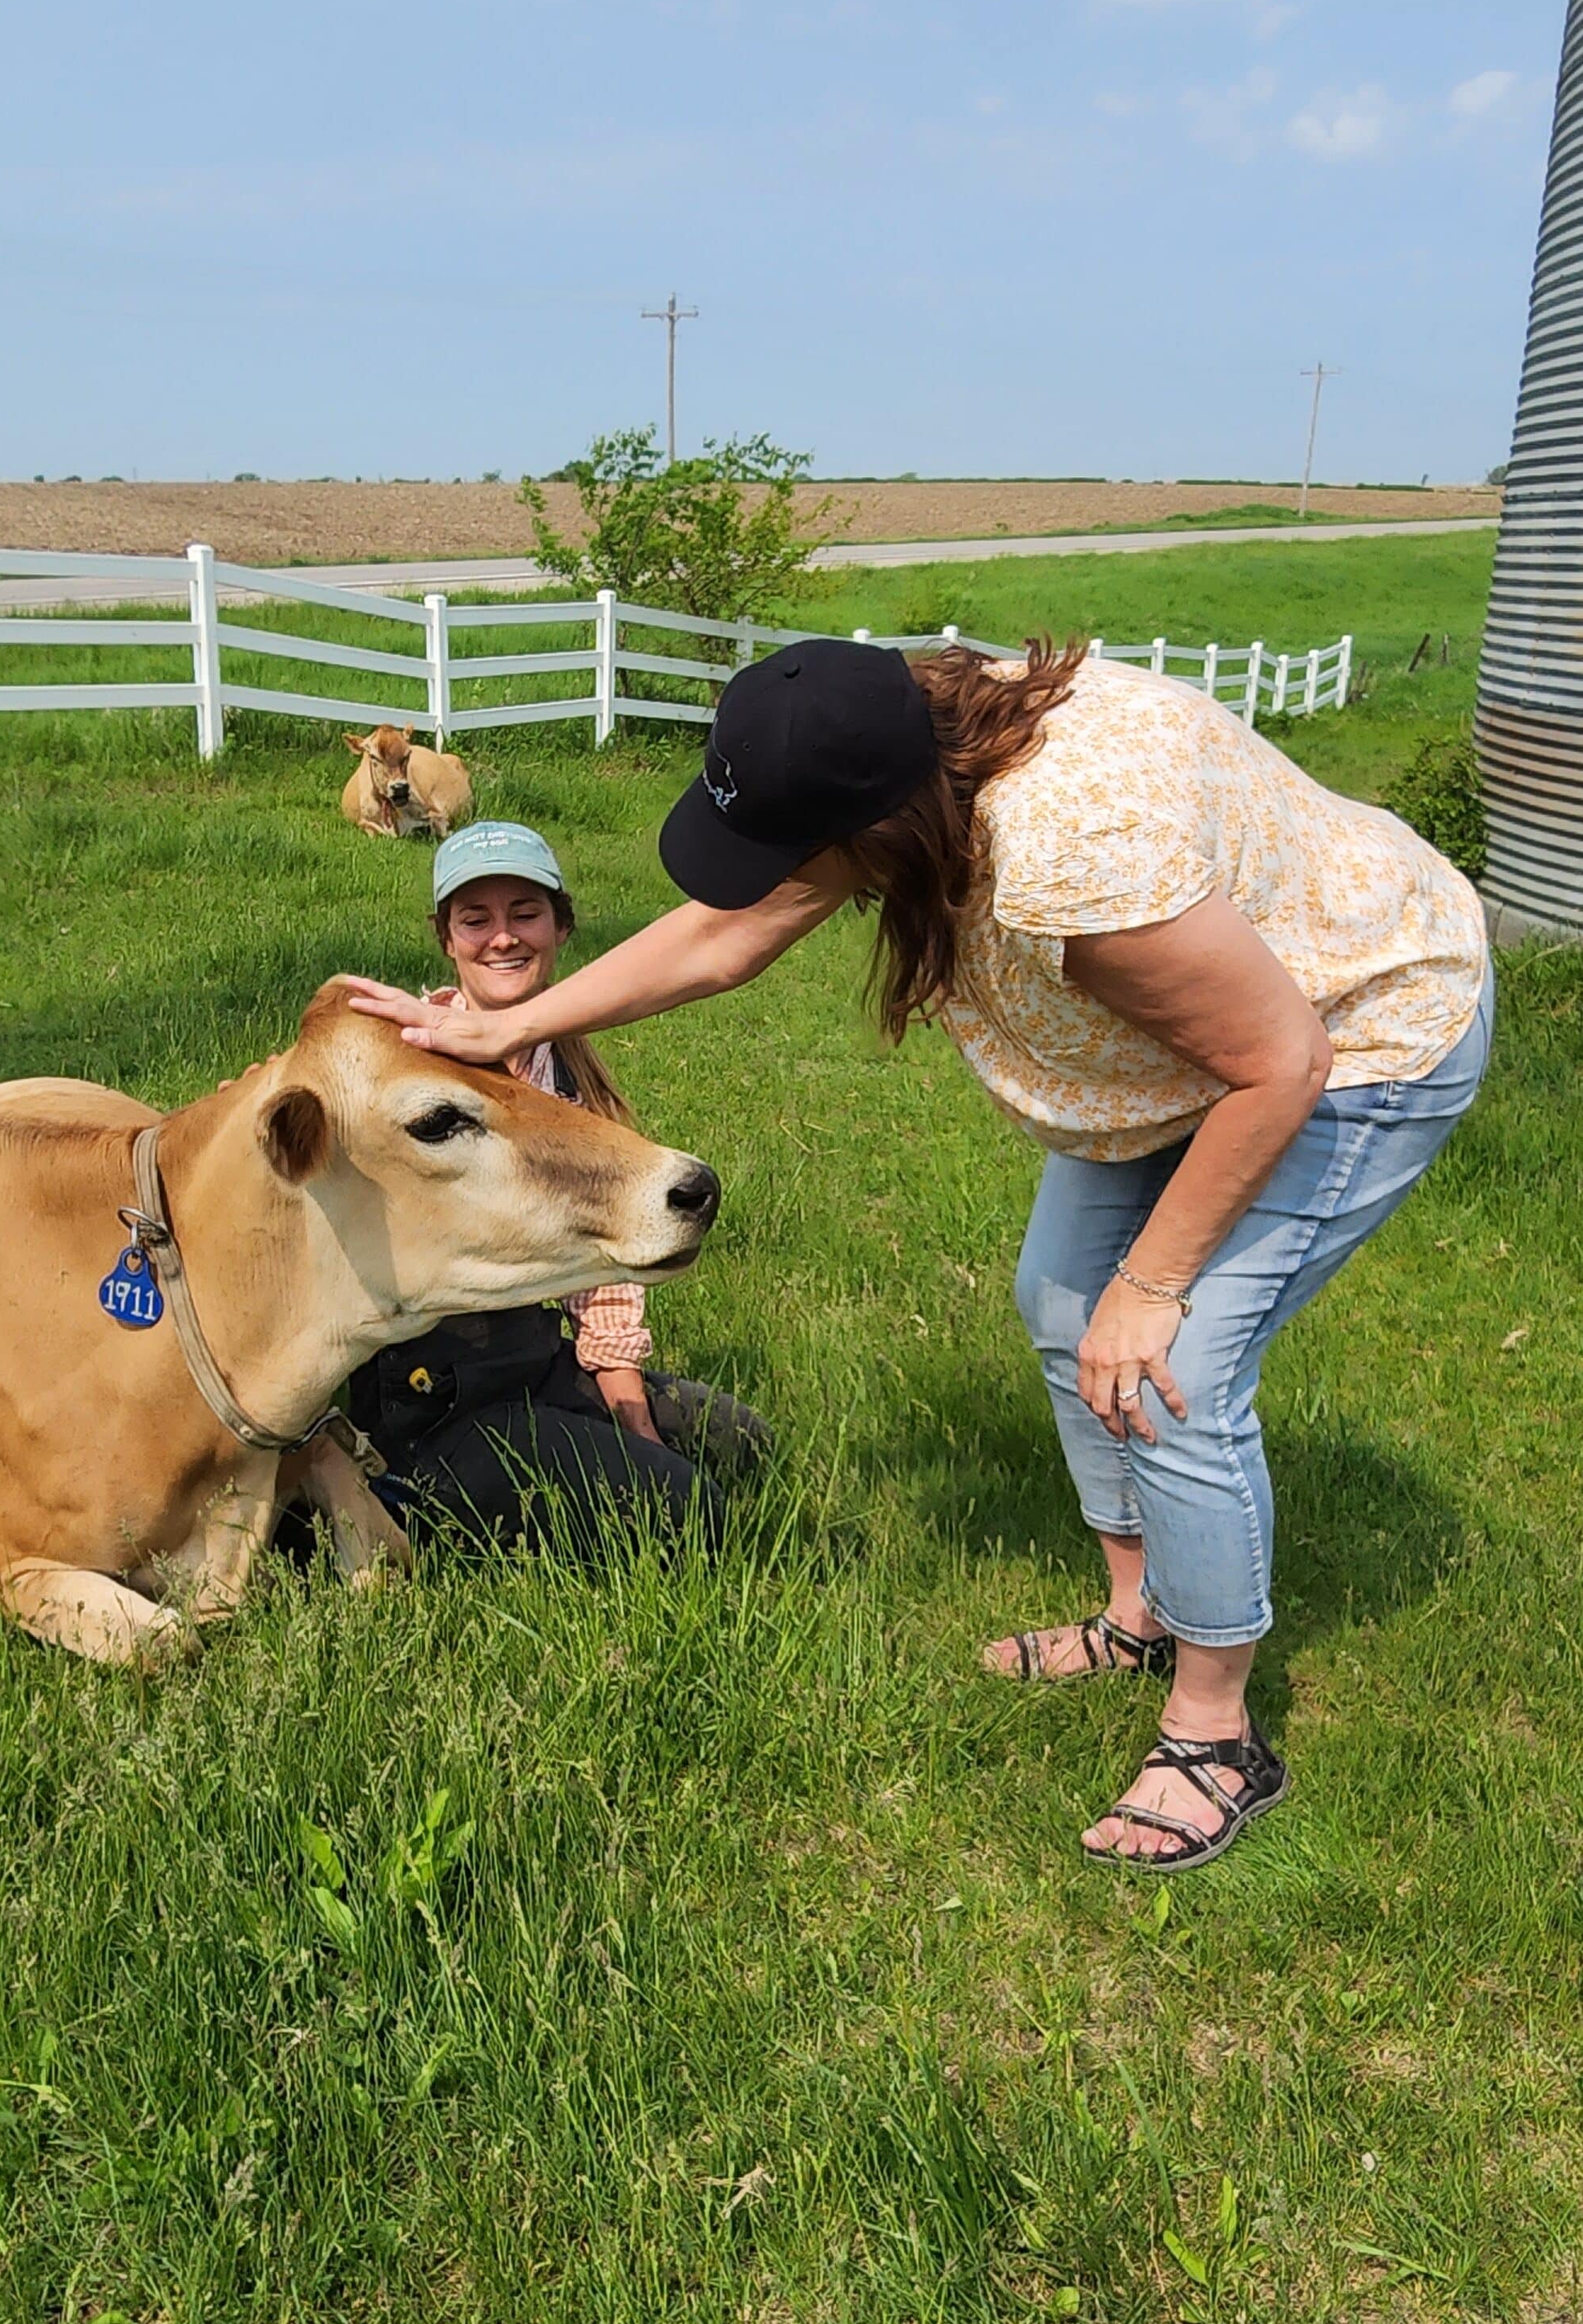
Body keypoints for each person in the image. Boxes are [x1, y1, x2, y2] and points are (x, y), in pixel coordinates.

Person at [349, 638, 1490, 1872]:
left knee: (1180, 1372)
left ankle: (1215, 1733)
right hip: (1184, 1060)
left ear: (873, 834)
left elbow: (1282, 1064)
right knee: (1062, 1300)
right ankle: (1141, 1615)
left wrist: (1156, 1288)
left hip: (1356, 1026)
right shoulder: (882, 732)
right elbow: (723, 939)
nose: (773, 880)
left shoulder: (1072, 845)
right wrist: (508, 1022)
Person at [347, 820, 764, 1558]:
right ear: (447, 939)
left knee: (741, 1443)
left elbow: (604, 1274)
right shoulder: (403, 1074)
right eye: (476, 919)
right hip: (433, 1402)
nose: (502, 938)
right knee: (691, 1514)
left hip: (530, 1364)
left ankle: (571, 1453)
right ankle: (401, 1504)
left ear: (561, 928)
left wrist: (628, 1410)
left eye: (525, 914)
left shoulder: (566, 1076)